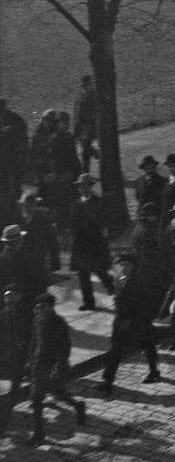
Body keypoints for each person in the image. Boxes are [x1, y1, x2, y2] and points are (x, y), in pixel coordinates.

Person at [21, 293, 86, 447]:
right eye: (37, 308)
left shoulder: (58, 323)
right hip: (38, 364)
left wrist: (59, 365)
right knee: (44, 396)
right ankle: (77, 407)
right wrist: (29, 361)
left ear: (50, 307)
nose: (39, 310)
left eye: (42, 307)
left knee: (47, 396)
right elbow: (34, 341)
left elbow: (64, 346)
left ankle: (39, 434)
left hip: (51, 366)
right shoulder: (38, 321)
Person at [99, 253, 161, 394]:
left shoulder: (139, 282)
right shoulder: (122, 279)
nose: (123, 268)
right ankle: (108, 381)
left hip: (136, 322)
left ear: (133, 266)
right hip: (123, 321)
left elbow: (142, 304)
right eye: (122, 265)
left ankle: (153, 371)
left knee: (146, 345)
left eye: (126, 265)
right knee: (118, 349)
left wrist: (130, 319)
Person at [69, 174, 113, 310]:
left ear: (91, 187)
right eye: (81, 186)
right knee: (83, 274)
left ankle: (109, 284)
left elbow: (103, 221)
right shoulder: (75, 204)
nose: (84, 189)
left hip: (95, 242)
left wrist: (102, 236)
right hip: (80, 244)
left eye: (87, 186)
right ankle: (89, 302)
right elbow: (73, 224)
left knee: (98, 269)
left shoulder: (98, 202)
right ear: (78, 188)